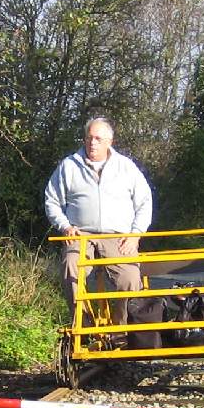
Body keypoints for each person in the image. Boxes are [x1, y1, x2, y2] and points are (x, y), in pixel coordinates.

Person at [43, 117, 153, 328]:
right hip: (81, 234)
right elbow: (52, 200)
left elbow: (145, 202)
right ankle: (83, 326)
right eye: (89, 138)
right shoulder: (68, 166)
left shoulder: (126, 167)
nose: (92, 143)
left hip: (118, 236)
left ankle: (122, 327)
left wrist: (135, 234)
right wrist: (65, 225)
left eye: (98, 139)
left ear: (109, 141)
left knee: (130, 277)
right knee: (71, 268)